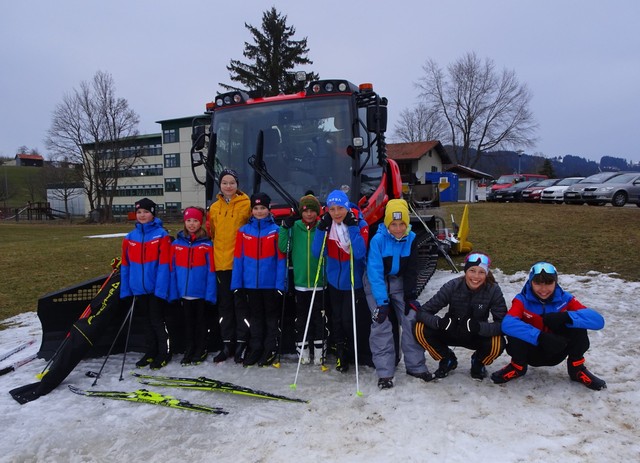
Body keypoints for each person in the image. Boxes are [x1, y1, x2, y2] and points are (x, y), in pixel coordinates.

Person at [491, 262, 606, 390]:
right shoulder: (521, 300)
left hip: (558, 349)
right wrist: (539, 336)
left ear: (556, 282)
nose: (543, 289)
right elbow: (507, 324)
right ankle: (517, 367)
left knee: (579, 325)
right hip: (531, 353)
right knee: (516, 330)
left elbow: (598, 321)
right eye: (538, 283)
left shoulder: (566, 298)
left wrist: (566, 317)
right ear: (530, 282)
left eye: (549, 283)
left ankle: (577, 369)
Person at [364, 199, 433, 389]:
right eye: (393, 224)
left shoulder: (410, 239)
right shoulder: (378, 240)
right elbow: (375, 271)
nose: (397, 228)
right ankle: (385, 372)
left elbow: (412, 269)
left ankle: (415, 366)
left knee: (411, 318)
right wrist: (382, 302)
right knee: (381, 322)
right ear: (387, 224)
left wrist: (410, 296)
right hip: (376, 282)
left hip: (398, 281)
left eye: (401, 224)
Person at [413, 252, 507, 380]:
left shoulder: (493, 290)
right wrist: (440, 323)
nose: (476, 276)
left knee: (498, 342)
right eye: (472, 271)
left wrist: (479, 327)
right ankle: (447, 358)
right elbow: (423, 312)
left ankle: (478, 362)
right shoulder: (452, 286)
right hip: (451, 330)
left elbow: (502, 324)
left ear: (486, 274)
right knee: (419, 328)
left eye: (481, 272)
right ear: (465, 272)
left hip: (475, 334)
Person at [312, 189, 368, 373]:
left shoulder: (360, 223)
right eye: (332, 209)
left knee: (348, 320)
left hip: (353, 282)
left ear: (346, 207)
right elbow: (316, 252)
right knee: (336, 320)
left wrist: (352, 227)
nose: (336, 213)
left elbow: (360, 253)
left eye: (340, 208)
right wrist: (320, 229)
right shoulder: (328, 227)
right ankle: (341, 356)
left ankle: (354, 353)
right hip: (334, 282)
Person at [231, 192, 287, 367]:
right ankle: (255, 347)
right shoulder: (243, 231)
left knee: (271, 318)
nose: (259, 211)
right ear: (252, 210)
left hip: (269, 285)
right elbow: (238, 259)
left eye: (262, 208)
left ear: (268, 209)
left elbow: (281, 260)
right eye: (256, 208)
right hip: (250, 284)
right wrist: (237, 284)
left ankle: (269, 348)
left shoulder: (276, 231)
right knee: (255, 318)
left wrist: (280, 284)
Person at [120, 198, 172, 370]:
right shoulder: (130, 238)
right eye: (139, 212)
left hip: (155, 288)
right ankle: (151, 351)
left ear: (153, 214)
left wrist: (161, 289)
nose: (142, 215)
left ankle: (164, 352)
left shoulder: (161, 235)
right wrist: (126, 289)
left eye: (146, 212)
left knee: (157, 321)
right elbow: (126, 265)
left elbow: (165, 265)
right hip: (138, 288)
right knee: (146, 322)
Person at [207, 168, 251, 363]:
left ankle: (242, 343)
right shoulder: (214, 208)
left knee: (240, 306)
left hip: (238, 263)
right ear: (220, 185)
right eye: (225, 182)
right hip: (220, 263)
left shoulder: (247, 204)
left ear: (237, 185)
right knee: (224, 306)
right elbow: (213, 233)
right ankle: (227, 344)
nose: (228, 186)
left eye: (232, 182)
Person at [278, 194, 327, 365]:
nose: (309, 215)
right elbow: (283, 247)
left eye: (313, 211)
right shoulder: (295, 227)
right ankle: (303, 348)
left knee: (318, 318)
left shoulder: (322, 227)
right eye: (306, 211)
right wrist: (284, 228)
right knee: (302, 318)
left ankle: (319, 349)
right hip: (300, 283)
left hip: (318, 283)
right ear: (301, 212)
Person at [169, 207, 217, 366]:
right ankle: (189, 348)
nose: (191, 224)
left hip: (201, 293)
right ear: (184, 222)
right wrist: (174, 292)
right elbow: (172, 270)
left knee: (201, 323)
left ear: (200, 222)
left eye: (195, 220)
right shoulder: (176, 244)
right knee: (188, 323)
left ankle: (201, 348)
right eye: (189, 220)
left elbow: (211, 272)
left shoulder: (207, 245)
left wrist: (210, 294)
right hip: (184, 293)